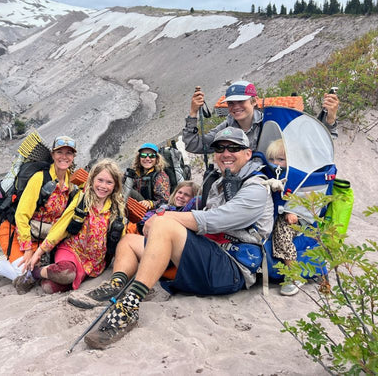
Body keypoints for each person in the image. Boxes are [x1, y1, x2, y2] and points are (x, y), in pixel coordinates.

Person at [77, 127, 274, 349]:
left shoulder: (256, 187)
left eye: (233, 148)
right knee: (129, 241)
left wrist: (165, 216)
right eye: (220, 147)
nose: (226, 153)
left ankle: (129, 305)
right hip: (208, 255)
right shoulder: (222, 181)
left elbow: (218, 220)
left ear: (248, 153)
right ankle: (117, 283)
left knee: (163, 224)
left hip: (231, 267)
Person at [15, 159, 125, 294]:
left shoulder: (116, 208)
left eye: (109, 182)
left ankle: (50, 275)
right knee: (65, 273)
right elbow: (60, 227)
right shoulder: (82, 200)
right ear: (92, 180)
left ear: (115, 185)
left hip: (94, 263)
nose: (103, 186)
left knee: (49, 287)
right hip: (72, 251)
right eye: (100, 180)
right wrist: (39, 252)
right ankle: (35, 273)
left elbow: (120, 236)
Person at [0, 136, 78, 289]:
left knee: (33, 272)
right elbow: (21, 215)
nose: (64, 157)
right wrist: (27, 249)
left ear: (73, 157)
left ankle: (12, 259)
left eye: (69, 153)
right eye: (60, 152)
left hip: (39, 236)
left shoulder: (71, 185)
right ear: (53, 155)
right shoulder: (39, 178)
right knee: (21, 273)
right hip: (15, 230)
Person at [182, 80, 339, 152]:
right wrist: (193, 113)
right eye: (231, 103)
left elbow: (317, 144)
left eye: (241, 101)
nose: (235, 106)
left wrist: (330, 119)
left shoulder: (273, 123)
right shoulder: (227, 127)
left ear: (254, 101)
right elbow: (194, 145)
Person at [265, 138, 304, 296]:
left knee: (282, 233)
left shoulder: (296, 175)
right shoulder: (269, 172)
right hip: (273, 213)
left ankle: (293, 273)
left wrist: (293, 210)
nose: (275, 163)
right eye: (272, 159)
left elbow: (304, 197)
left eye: (281, 159)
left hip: (294, 217)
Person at [126, 143, 170, 210]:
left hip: (151, 211)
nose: (147, 158)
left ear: (157, 158)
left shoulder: (160, 176)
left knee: (130, 191)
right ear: (139, 158)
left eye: (152, 156)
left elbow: (164, 201)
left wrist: (150, 203)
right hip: (134, 207)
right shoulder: (134, 172)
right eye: (143, 155)